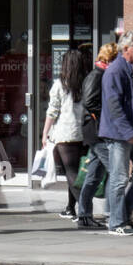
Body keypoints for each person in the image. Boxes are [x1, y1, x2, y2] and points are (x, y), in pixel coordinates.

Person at [98, 32, 133, 236]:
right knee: (119, 178)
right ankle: (116, 223)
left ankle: (123, 213)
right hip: (119, 135)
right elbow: (114, 107)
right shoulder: (115, 72)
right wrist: (127, 131)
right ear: (126, 49)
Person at [75, 42, 118, 229]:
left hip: (98, 132)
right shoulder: (96, 75)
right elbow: (90, 102)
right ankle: (113, 213)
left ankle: (84, 215)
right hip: (97, 132)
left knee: (94, 175)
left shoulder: (102, 74)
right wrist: (106, 118)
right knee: (116, 171)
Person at [42, 49, 88, 220]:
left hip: (64, 134)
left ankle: (84, 211)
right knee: (75, 171)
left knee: (71, 173)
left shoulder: (60, 84)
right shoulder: (85, 84)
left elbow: (52, 111)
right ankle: (70, 207)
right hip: (82, 133)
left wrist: (45, 133)